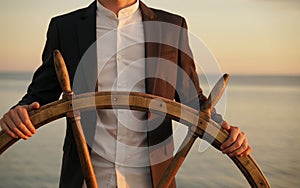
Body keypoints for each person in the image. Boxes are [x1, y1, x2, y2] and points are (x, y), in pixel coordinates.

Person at [0, 0, 252, 187]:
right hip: (84, 178)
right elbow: (40, 94)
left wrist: (225, 132)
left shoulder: (172, 26)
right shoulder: (64, 27)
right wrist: (19, 112)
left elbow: (192, 100)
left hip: (154, 179)